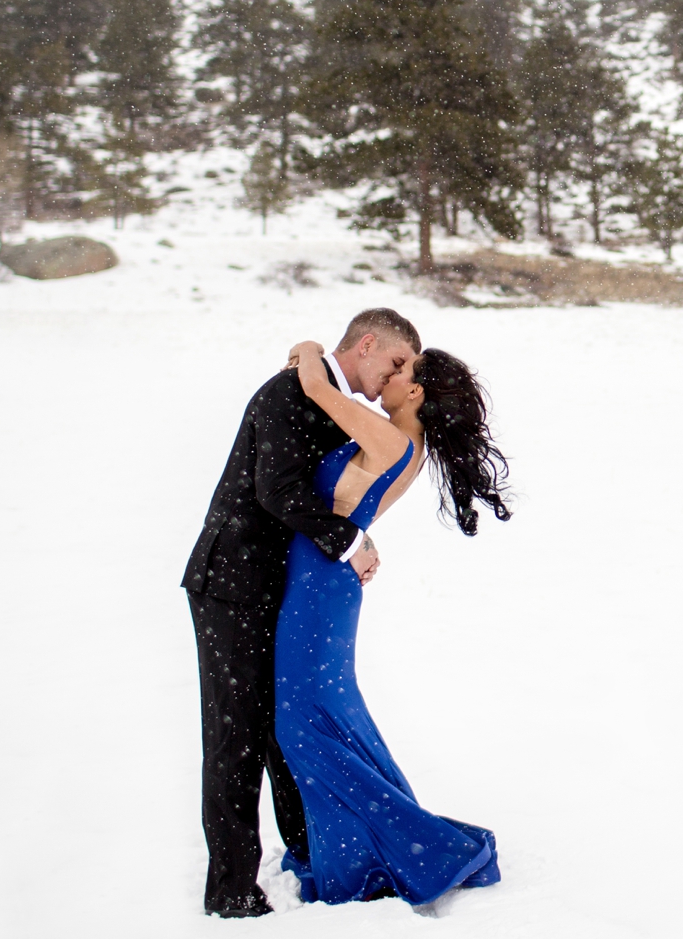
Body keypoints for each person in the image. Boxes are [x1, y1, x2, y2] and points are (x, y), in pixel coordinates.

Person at [181, 307, 420, 919]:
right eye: (392, 362)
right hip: (230, 582)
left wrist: (310, 352)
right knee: (236, 734)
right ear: (366, 344)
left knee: (278, 726)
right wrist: (351, 542)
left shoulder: (325, 392)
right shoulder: (289, 392)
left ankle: (307, 847)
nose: (390, 377)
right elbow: (277, 491)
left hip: (275, 585)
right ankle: (231, 891)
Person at [272, 337, 513, 912]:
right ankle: (369, 841)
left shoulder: (390, 437)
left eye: (405, 369)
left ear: (417, 392)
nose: (393, 373)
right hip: (324, 578)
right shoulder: (409, 444)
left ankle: (399, 847)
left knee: (303, 723)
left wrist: (308, 347)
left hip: (320, 588)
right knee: (323, 714)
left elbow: (313, 386)